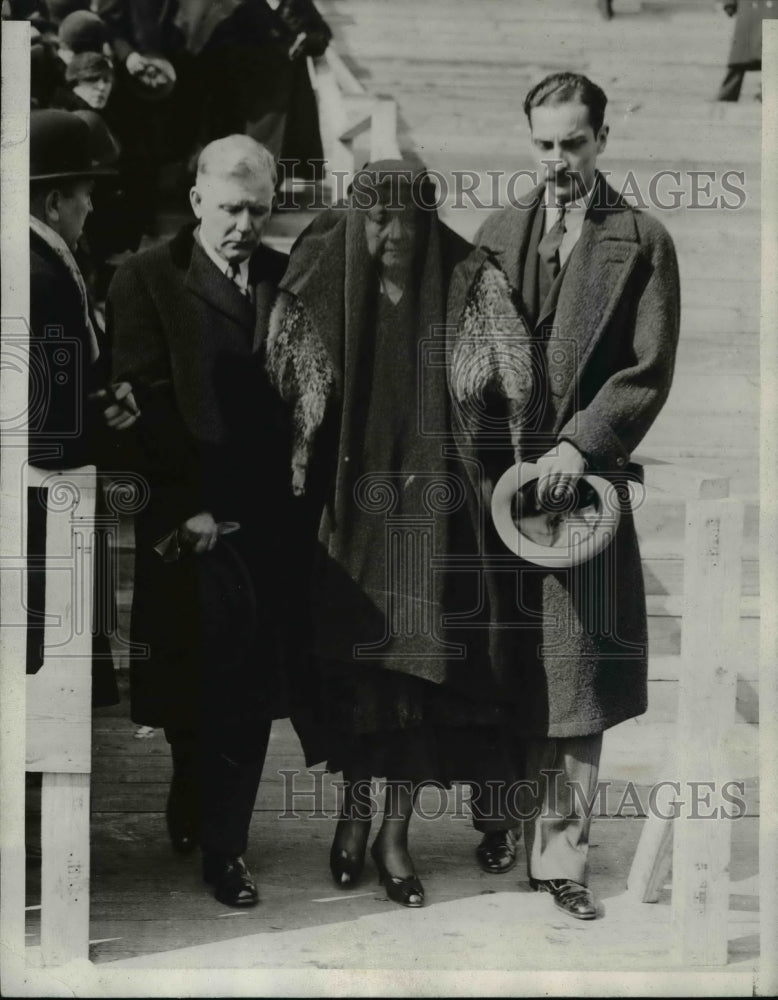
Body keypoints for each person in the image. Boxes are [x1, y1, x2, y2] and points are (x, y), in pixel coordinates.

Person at [449, 72, 680, 918]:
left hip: (581, 500)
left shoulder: (643, 241)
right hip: (499, 493)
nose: (558, 161)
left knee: (578, 678)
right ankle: (500, 820)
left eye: (574, 143)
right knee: (505, 659)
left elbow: (647, 372)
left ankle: (563, 855)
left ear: (604, 141)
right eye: (543, 144)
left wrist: (582, 446)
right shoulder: (497, 232)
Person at [266, 160, 520, 909]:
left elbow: (508, 387)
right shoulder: (323, 274)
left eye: (409, 218)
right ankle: (353, 813)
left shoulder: (467, 280)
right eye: (379, 219)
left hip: (431, 519)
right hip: (347, 517)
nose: (395, 234)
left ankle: (394, 837)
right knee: (355, 672)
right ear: (358, 218)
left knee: (415, 675)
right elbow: (283, 382)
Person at [106, 135, 291, 908]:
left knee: (246, 695)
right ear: (195, 203)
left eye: (256, 210)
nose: (242, 225)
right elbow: (139, 402)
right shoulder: (146, 277)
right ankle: (190, 784)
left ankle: (228, 849)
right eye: (228, 208)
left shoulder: (289, 279)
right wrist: (189, 507)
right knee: (190, 686)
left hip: (268, 523)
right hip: (189, 523)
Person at [27, 108, 139, 707]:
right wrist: (108, 417)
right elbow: (48, 430)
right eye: (84, 196)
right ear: (52, 203)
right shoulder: (41, 279)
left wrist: (101, 397)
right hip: (49, 503)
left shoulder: (49, 262)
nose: (90, 208)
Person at [717, 0, 778, 101]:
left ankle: (770, 94)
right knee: (742, 57)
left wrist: (729, 4)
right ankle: (727, 94)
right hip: (753, 12)